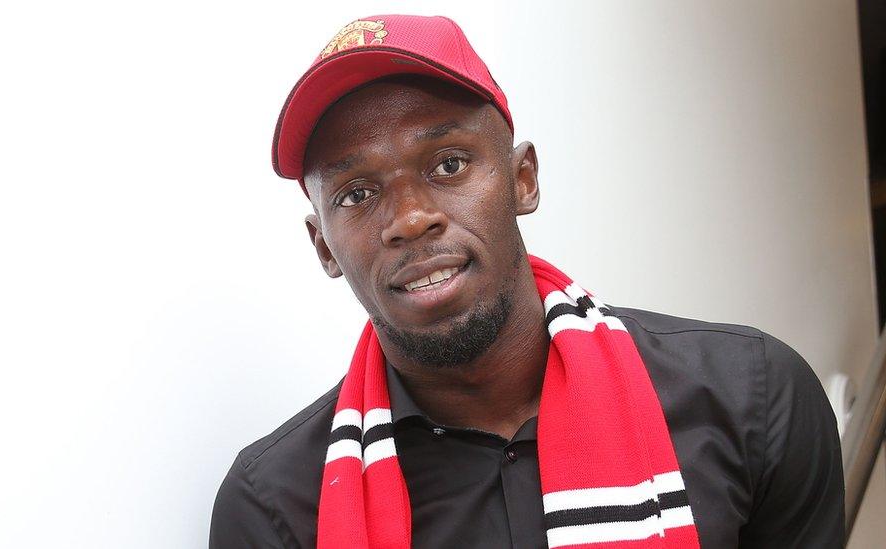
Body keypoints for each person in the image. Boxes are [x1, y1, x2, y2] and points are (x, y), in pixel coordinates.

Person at [210, 14, 844, 549]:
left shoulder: (749, 400)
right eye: (355, 194)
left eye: (449, 163)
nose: (408, 219)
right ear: (323, 244)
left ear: (523, 180)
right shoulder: (274, 508)